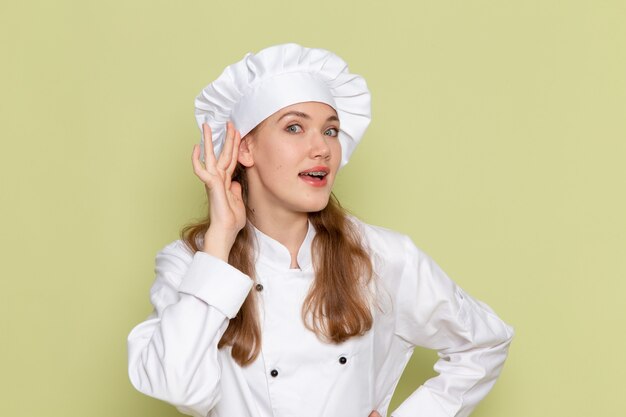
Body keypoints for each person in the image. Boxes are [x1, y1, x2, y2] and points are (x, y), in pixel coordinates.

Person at [126, 43, 514, 417]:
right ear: (244, 149)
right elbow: (176, 386)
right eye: (295, 128)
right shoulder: (192, 262)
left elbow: (485, 341)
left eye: (330, 131)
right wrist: (220, 240)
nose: (323, 149)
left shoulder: (381, 256)